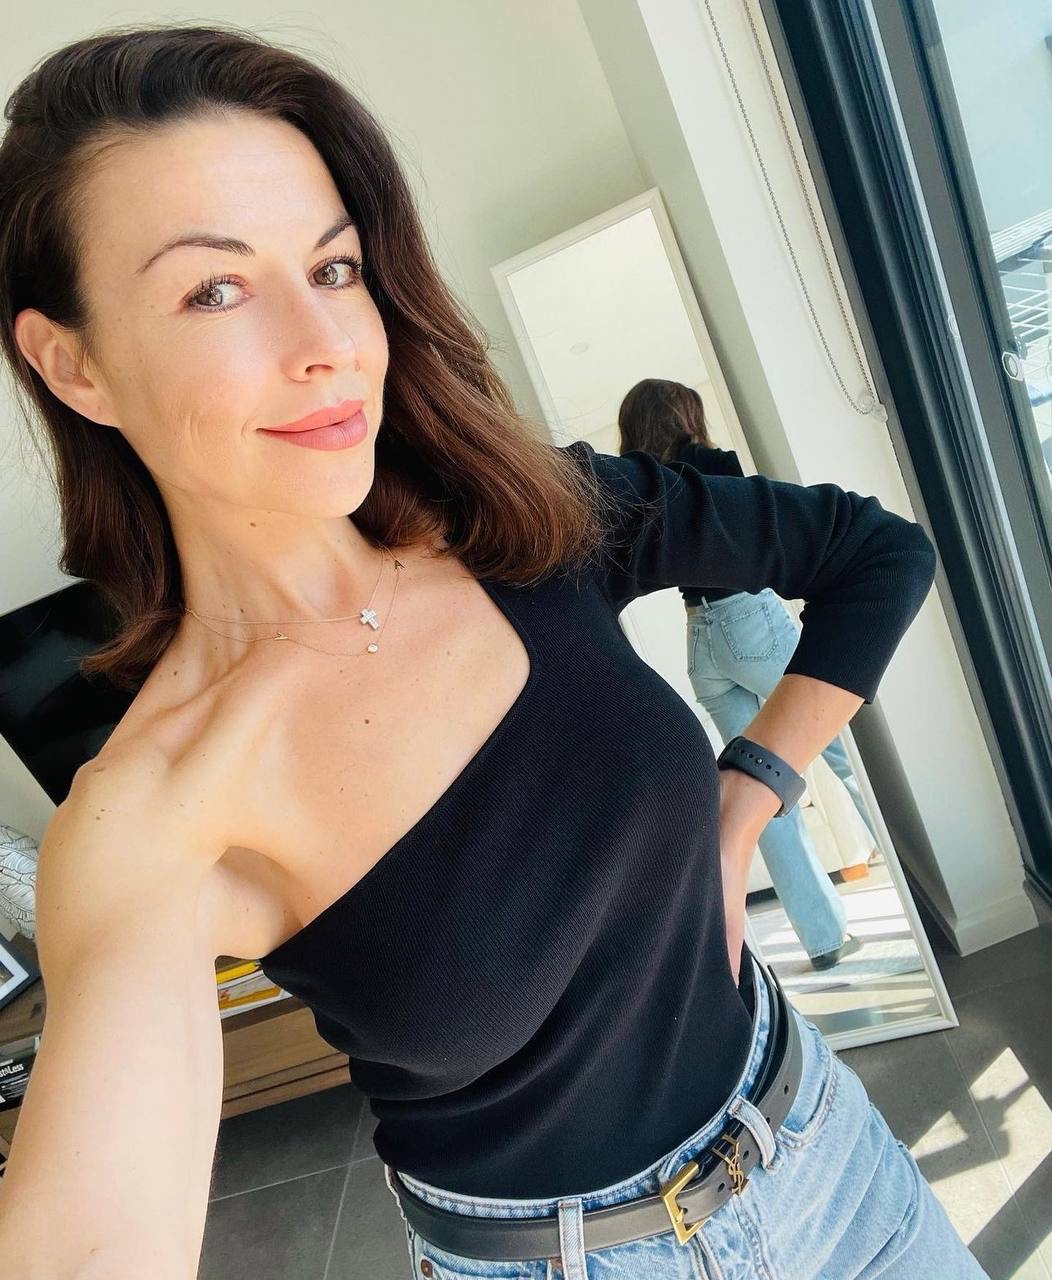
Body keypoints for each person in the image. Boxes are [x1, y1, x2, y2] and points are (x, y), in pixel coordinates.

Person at [0, 22, 988, 1280]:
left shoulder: (529, 523)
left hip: (827, 1158)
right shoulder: (151, 816)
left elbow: (874, 552)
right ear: (73, 362)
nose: (326, 343)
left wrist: (746, 794)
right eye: (215, 290)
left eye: (334, 266)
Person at [618, 378, 878, 971]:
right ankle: (909, 886)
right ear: (687, 416)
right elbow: (762, 541)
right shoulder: (712, 465)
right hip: (748, 622)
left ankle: (823, 940)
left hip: (700, 640)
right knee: (844, 753)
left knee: (760, 789)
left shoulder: (640, 485)